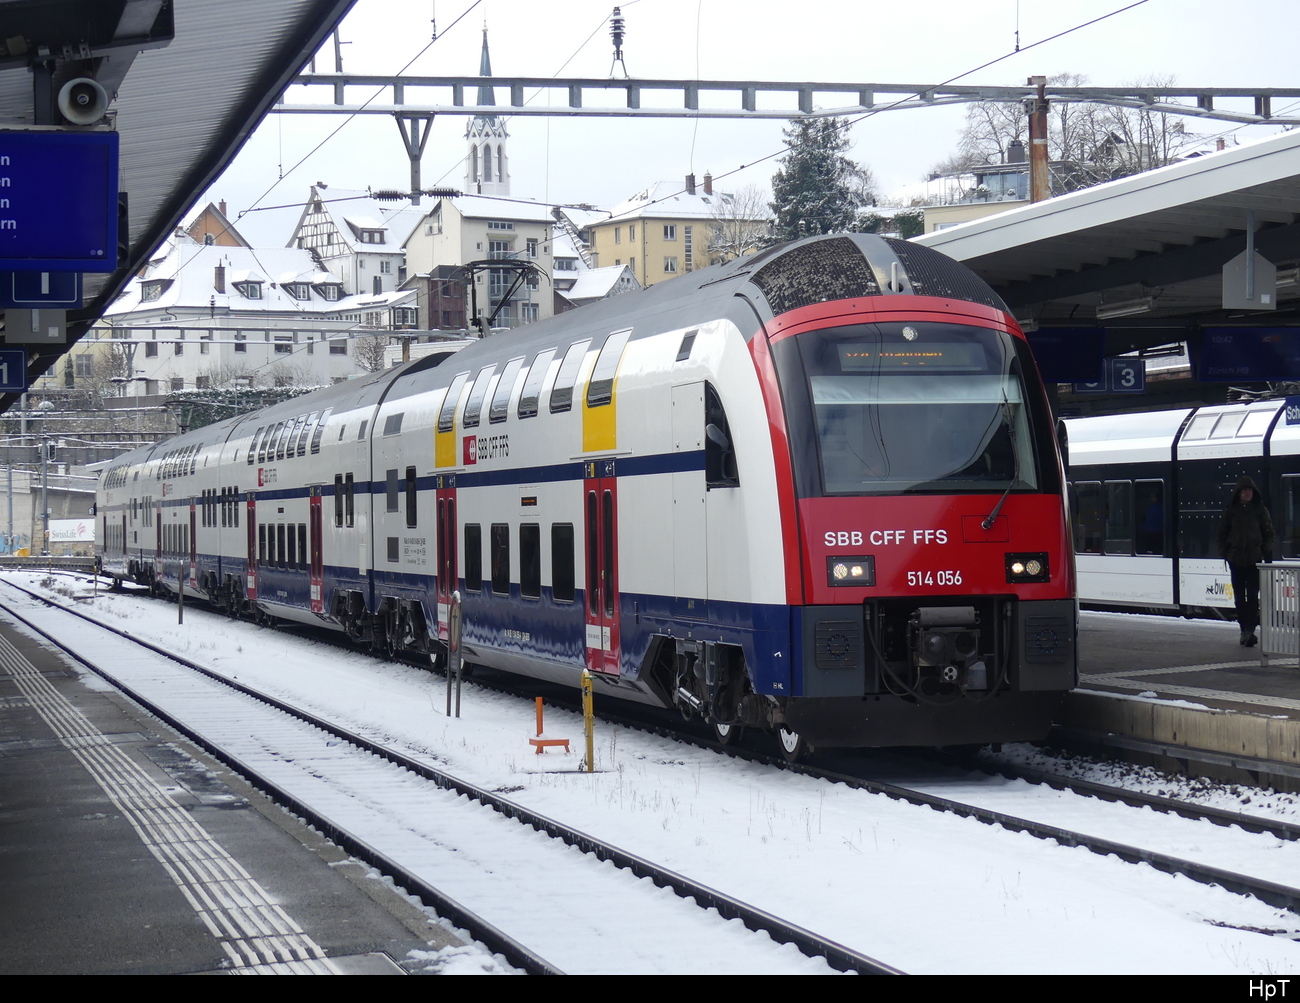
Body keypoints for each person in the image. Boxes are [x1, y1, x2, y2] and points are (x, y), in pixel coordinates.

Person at [1217, 475, 1275, 647]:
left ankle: (1248, 630)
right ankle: (1246, 630)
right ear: (1239, 493)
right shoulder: (1231, 511)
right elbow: (1221, 534)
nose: (1247, 493)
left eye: (1249, 490)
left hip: (1254, 560)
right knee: (1240, 598)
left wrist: (1264, 551)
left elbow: (1269, 533)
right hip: (1236, 560)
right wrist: (1225, 553)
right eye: (1244, 491)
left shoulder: (1260, 510)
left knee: (1251, 597)